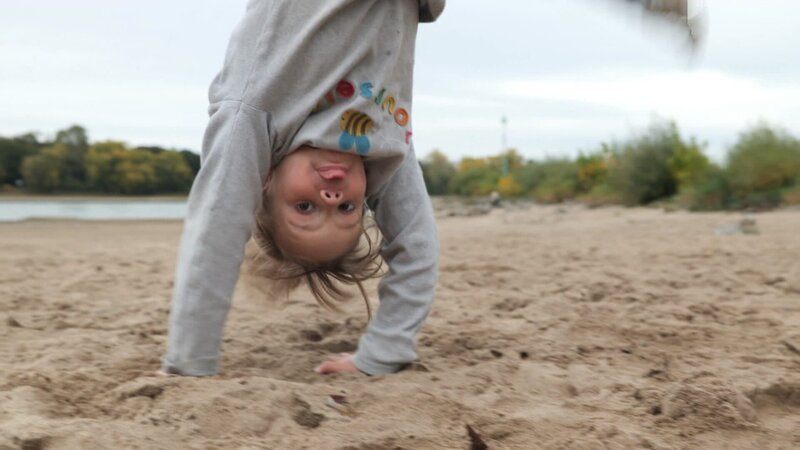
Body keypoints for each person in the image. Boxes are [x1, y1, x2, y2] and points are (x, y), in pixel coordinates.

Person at [161, 0, 445, 377]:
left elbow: (216, 231)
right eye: (347, 210)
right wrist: (382, 352)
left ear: (263, 181)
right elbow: (418, 248)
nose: (332, 196)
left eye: (304, 207)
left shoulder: (252, 121)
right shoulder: (383, 146)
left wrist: (189, 361)